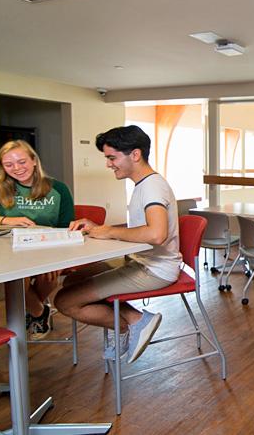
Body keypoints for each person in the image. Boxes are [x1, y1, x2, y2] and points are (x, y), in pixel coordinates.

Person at [54, 125, 181, 364]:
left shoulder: (152, 186)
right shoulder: (145, 184)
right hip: (143, 262)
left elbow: (156, 234)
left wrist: (110, 231)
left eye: (112, 157)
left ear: (135, 155)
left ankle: (133, 322)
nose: (108, 164)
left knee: (64, 301)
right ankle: (133, 321)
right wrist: (99, 228)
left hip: (154, 269)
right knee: (72, 280)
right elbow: (141, 228)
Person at [0, 140, 74, 340]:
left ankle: (32, 311)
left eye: (22, 162)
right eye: (9, 165)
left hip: (49, 248)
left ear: (33, 161)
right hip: (11, 250)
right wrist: (6, 219)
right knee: (15, 277)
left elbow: (67, 228)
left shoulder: (58, 189)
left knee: (47, 277)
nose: (17, 169)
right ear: (3, 167)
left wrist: (59, 255)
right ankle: (39, 312)